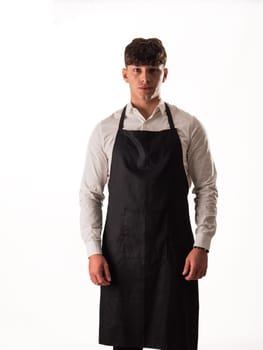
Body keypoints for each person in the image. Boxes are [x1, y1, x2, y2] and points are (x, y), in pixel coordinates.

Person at [79, 38, 217, 350]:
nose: (145, 78)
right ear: (125, 74)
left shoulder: (188, 126)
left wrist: (202, 245)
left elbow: (207, 188)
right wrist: (93, 250)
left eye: (152, 70)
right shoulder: (106, 130)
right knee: (125, 343)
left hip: (175, 254)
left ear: (164, 74)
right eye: (137, 70)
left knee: (176, 340)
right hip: (120, 256)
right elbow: (90, 193)